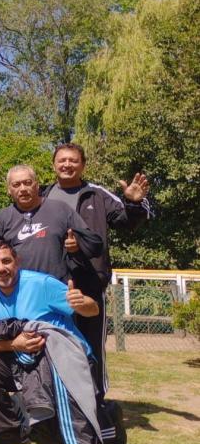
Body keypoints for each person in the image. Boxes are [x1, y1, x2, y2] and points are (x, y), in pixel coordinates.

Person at [0, 240, 110, 444]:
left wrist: (83, 303)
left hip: (61, 360)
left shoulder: (42, 284)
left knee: (57, 440)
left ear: (17, 261)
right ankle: (6, 432)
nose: (1, 268)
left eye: (6, 261)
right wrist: (16, 344)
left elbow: (93, 310)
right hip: (22, 361)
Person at [41, 142, 150, 399]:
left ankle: (96, 398)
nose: (67, 164)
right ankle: (59, 397)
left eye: (73, 160)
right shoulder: (43, 195)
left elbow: (126, 221)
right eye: (62, 160)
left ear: (83, 165)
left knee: (91, 342)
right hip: (52, 281)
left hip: (89, 280)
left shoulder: (97, 194)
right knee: (54, 340)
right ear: (53, 164)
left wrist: (134, 203)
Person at [0, 164, 103, 284]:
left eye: (27, 183)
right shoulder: (2, 217)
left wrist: (76, 247)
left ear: (37, 185)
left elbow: (93, 244)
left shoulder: (61, 209)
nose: (23, 189)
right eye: (16, 185)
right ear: (9, 190)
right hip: (19, 289)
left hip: (56, 287)